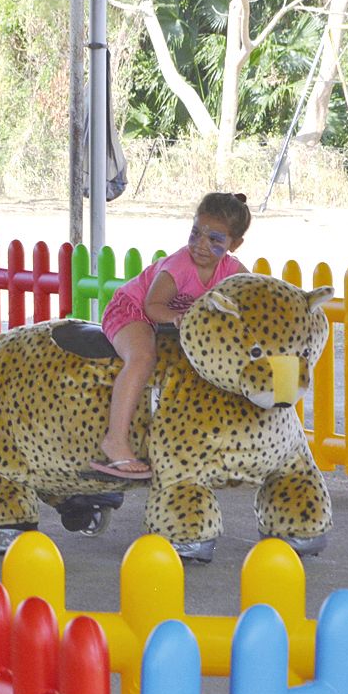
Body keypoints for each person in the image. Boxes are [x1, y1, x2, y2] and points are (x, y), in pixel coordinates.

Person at [91, 191, 253, 479]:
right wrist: (179, 318)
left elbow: (251, 297)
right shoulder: (178, 266)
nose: (201, 245)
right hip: (132, 310)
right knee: (142, 358)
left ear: (234, 244)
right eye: (195, 233)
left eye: (214, 239)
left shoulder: (232, 271)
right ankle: (115, 440)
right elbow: (152, 306)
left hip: (171, 323)